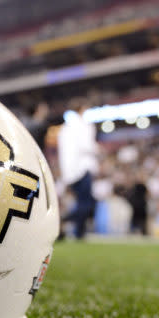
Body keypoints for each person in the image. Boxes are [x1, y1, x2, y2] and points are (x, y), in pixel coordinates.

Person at [57, 98, 99, 240]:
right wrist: (98, 149)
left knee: (83, 202)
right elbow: (87, 146)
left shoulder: (65, 128)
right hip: (83, 168)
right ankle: (64, 221)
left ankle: (78, 232)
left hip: (70, 170)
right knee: (86, 203)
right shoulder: (84, 126)